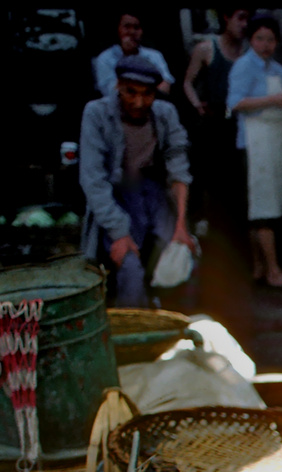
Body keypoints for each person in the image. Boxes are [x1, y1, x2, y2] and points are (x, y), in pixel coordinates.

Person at [79, 55, 196, 308]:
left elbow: (179, 169)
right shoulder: (96, 113)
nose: (139, 101)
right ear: (118, 85)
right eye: (130, 92)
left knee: (181, 257)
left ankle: (178, 330)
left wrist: (181, 224)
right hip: (116, 199)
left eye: (147, 94)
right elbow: (93, 180)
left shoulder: (165, 114)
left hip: (154, 197)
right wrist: (119, 233)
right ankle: (134, 335)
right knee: (130, 269)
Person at [227, 15, 282, 287]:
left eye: (270, 39)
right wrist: (273, 100)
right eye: (260, 38)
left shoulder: (274, 68)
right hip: (253, 145)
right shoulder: (244, 66)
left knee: (262, 207)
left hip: (272, 143)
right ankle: (273, 271)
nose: (265, 44)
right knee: (263, 209)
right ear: (251, 40)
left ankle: (259, 268)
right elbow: (235, 102)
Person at [181, 8, 249, 225]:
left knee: (237, 184)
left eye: (247, 19)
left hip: (239, 123)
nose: (244, 24)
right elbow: (188, 82)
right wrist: (197, 105)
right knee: (210, 181)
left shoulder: (248, 52)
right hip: (213, 123)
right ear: (226, 17)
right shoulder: (207, 48)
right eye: (240, 18)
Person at [93, 13, 173, 99]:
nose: (132, 32)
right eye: (127, 27)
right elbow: (110, 92)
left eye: (136, 28)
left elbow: (166, 83)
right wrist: (127, 53)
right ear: (118, 30)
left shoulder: (155, 55)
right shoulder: (105, 58)